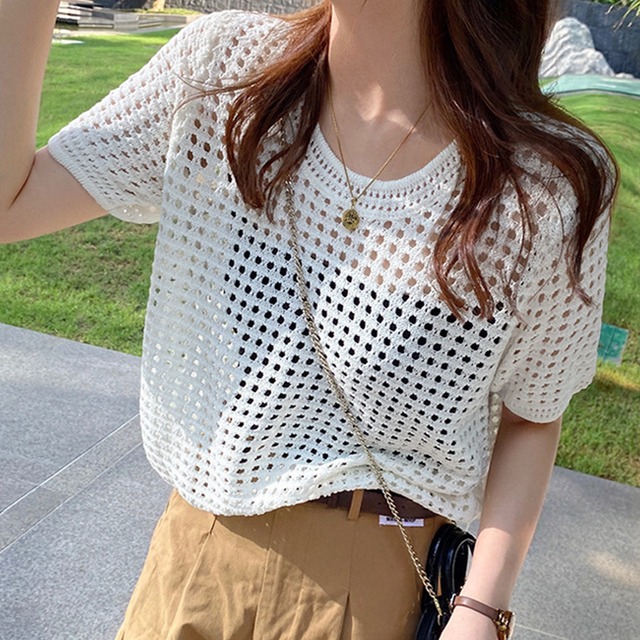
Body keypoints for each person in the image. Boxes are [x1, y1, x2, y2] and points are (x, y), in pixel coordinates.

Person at [0, 1, 618, 639]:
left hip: (375, 584)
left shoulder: (545, 185)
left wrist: (482, 610)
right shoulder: (224, 72)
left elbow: (532, 416)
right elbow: (10, 203)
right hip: (195, 558)